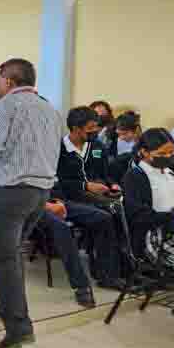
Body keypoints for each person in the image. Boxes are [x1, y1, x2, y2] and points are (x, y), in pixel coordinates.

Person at [0, 58, 61, 348]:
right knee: (13, 253)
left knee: (6, 258)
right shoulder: (49, 108)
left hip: (11, 193)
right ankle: (8, 305)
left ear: (9, 80)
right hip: (40, 193)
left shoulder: (4, 107)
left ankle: (19, 326)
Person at [54, 106, 123, 289]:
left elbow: (105, 174)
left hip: (97, 195)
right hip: (69, 198)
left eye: (96, 126)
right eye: (90, 127)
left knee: (121, 209)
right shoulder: (58, 149)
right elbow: (56, 182)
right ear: (76, 128)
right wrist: (85, 185)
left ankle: (123, 266)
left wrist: (112, 185)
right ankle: (106, 273)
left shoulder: (97, 147)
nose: (95, 131)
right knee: (106, 215)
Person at [123, 128, 174, 282]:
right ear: (144, 152)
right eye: (162, 154)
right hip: (157, 238)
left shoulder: (171, 174)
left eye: (171, 152)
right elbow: (138, 216)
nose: (169, 157)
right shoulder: (136, 176)